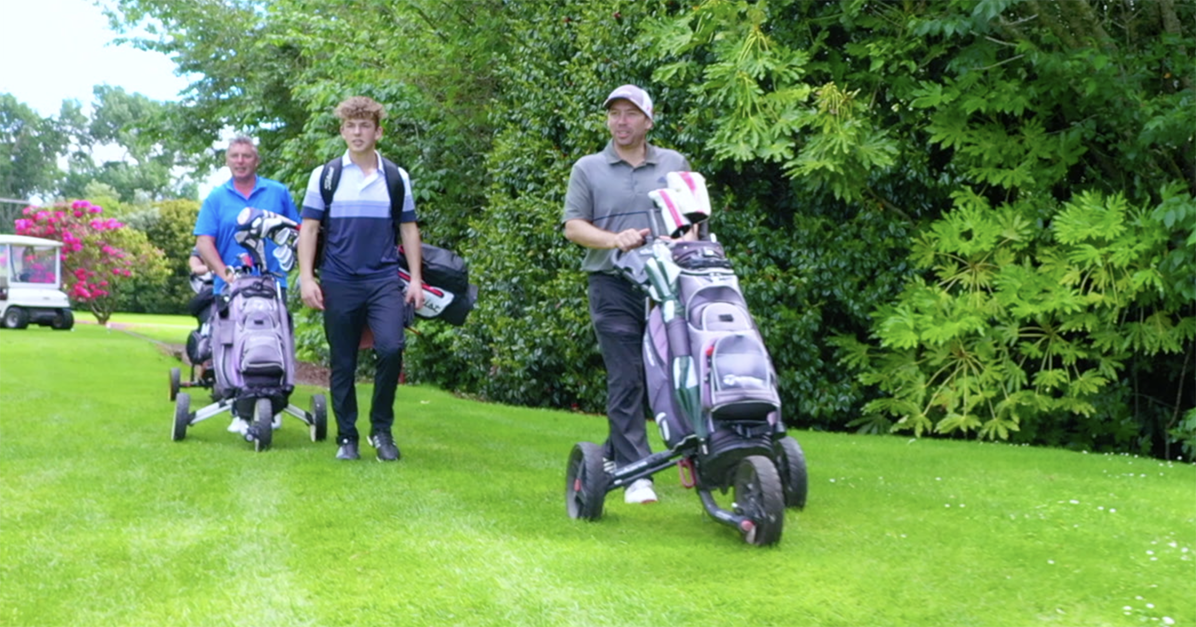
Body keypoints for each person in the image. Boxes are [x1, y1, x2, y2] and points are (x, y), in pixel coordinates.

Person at [562, 84, 695, 504]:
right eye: (614, 114)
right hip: (613, 283)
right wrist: (614, 239)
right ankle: (637, 474)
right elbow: (573, 227)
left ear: (649, 120)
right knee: (626, 375)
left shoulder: (674, 163)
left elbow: (693, 220)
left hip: (667, 284)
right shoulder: (588, 168)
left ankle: (629, 454)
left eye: (630, 114)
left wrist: (681, 243)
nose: (621, 121)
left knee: (674, 372)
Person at [296, 96, 425, 462]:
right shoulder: (325, 176)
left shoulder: (396, 177)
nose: (357, 132)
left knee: (391, 348)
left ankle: (381, 431)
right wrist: (307, 278)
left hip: (384, 280)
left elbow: (409, 230)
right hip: (338, 280)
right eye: (351, 126)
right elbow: (308, 230)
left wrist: (415, 279)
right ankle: (347, 437)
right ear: (342, 131)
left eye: (364, 125)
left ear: (378, 132)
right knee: (343, 362)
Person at [193, 136, 301, 434]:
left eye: (246, 156)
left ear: (256, 161)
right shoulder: (216, 197)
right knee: (231, 346)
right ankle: (238, 407)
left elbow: (297, 233)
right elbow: (204, 241)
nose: (240, 161)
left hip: (272, 286)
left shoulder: (277, 192)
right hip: (229, 290)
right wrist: (221, 272)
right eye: (235, 156)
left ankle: (275, 402)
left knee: (275, 340)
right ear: (228, 160)